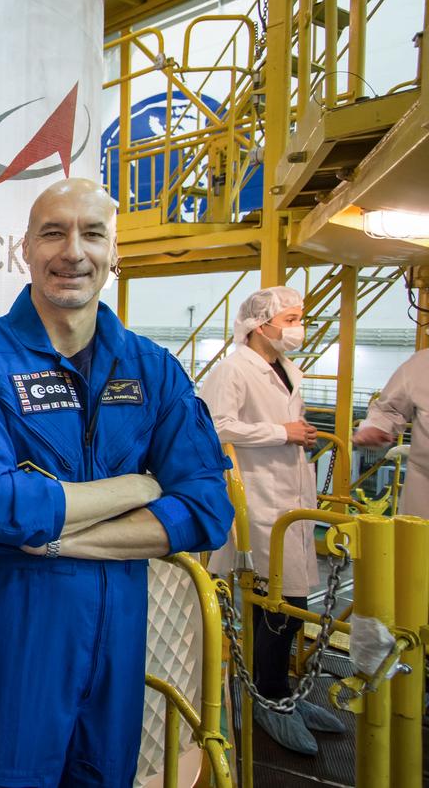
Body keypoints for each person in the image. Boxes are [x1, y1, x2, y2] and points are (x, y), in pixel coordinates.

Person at [0, 178, 233, 787]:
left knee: (106, 777)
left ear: (113, 253)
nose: (72, 251)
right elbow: (2, 510)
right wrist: (142, 486)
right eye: (53, 232)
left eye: (92, 233)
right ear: (25, 248)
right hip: (13, 626)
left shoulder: (152, 370)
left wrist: (57, 538)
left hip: (120, 628)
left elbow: (207, 508)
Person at [201, 287, 344, 754]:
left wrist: (292, 435)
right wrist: (281, 432)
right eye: (290, 318)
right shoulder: (233, 369)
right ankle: (270, 698)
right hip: (258, 500)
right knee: (275, 599)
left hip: (289, 496)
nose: (298, 326)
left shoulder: (286, 368)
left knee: (287, 596)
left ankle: (280, 691)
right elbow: (214, 424)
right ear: (261, 325)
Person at [353, 348, 429, 518]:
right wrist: (377, 426)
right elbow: (389, 408)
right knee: (418, 543)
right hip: (424, 491)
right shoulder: (422, 364)